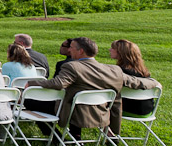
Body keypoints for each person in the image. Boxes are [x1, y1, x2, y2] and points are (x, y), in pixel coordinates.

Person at [28, 37, 160, 139]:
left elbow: (58, 83)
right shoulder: (113, 70)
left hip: (74, 112)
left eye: (72, 47)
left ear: (81, 51)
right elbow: (136, 82)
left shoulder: (72, 66)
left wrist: (32, 83)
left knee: (30, 102)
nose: (69, 50)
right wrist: (154, 82)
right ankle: (75, 138)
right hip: (101, 113)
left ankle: (57, 139)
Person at [109, 39, 155, 116]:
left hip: (127, 110)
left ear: (121, 53)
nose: (110, 50)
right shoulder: (144, 72)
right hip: (147, 111)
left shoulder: (120, 72)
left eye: (113, 48)